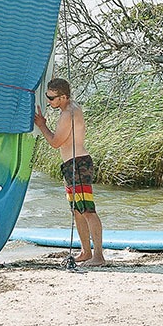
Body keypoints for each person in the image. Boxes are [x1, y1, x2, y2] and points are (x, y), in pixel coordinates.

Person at [34, 77, 106, 266]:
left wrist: (41, 125)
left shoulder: (68, 114)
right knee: (77, 211)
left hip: (78, 165)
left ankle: (98, 256)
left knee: (88, 210)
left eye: (51, 97)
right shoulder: (69, 108)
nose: (49, 101)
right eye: (47, 96)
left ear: (63, 97)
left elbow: (56, 142)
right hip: (70, 165)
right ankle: (86, 252)